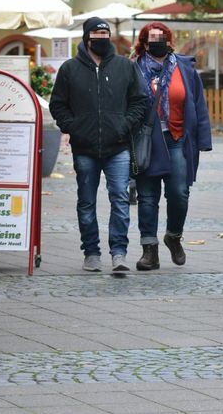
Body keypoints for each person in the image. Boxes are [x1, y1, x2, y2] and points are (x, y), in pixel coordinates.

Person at [49, 17, 147, 272]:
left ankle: (119, 253)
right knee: (86, 202)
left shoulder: (125, 66)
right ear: (86, 36)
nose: (102, 37)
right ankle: (91, 252)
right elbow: (57, 104)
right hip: (85, 148)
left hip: (118, 147)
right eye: (97, 32)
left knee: (120, 199)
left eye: (106, 32)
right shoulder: (70, 69)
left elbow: (139, 101)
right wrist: (73, 127)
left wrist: (125, 125)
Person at [131, 22, 213, 271]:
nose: (158, 42)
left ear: (169, 41)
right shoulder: (132, 69)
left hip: (176, 138)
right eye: (152, 39)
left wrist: (203, 140)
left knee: (179, 193)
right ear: (144, 44)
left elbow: (198, 104)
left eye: (162, 38)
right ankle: (149, 250)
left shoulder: (185, 68)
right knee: (147, 197)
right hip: (146, 141)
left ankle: (173, 236)